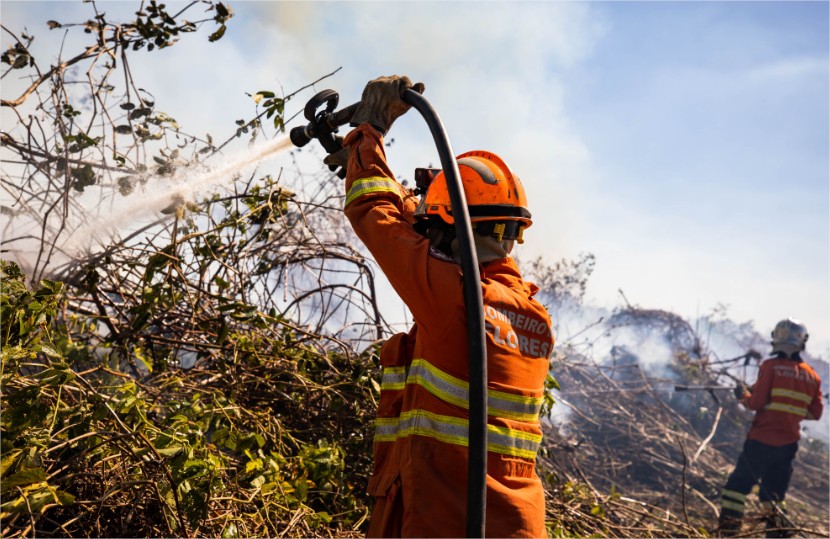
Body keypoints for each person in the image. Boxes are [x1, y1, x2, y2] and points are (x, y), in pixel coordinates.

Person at [325, 75, 554, 537]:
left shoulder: (455, 299)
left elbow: (378, 218)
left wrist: (369, 134)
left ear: (450, 228)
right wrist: (364, 161)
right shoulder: (532, 317)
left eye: (433, 222)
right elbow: (423, 231)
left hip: (443, 521)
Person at [717, 318, 824, 538]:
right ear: (802, 343)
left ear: (776, 338)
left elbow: (756, 403)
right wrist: (789, 413)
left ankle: (728, 534)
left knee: (735, 491)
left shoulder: (771, 367)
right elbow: (816, 413)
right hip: (788, 446)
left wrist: (742, 395)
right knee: (773, 498)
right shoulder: (812, 376)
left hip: (760, 441)